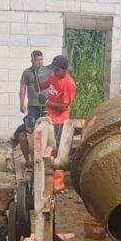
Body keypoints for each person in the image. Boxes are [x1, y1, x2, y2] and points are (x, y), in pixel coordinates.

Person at [41, 55, 76, 192]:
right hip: (49, 119)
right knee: (47, 150)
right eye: (54, 69)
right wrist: (34, 75)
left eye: (57, 70)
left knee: (57, 152)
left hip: (60, 122)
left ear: (64, 69)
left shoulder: (69, 84)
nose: (54, 72)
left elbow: (64, 107)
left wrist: (46, 102)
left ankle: (58, 184)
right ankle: (47, 179)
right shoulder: (54, 77)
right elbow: (42, 85)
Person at [18, 50, 51, 127]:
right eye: (37, 60)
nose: (39, 62)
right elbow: (23, 88)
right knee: (31, 127)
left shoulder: (48, 71)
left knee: (45, 127)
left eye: (41, 59)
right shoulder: (27, 72)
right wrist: (22, 104)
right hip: (33, 106)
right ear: (32, 61)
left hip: (46, 105)